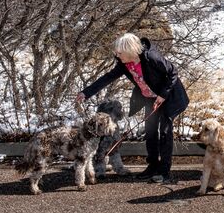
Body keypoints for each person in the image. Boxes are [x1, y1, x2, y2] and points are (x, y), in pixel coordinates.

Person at [76, 33, 189, 184]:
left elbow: (172, 73)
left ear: (129, 50)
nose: (117, 55)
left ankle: (164, 171)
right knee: (150, 131)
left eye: (119, 53)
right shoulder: (124, 63)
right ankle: (153, 166)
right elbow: (108, 77)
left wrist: (162, 95)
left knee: (165, 132)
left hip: (169, 97)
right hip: (150, 98)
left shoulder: (152, 57)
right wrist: (86, 93)